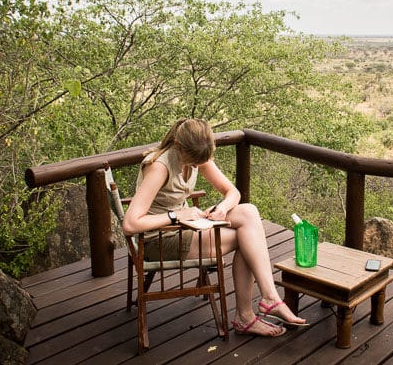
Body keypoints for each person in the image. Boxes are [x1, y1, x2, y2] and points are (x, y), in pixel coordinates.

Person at [122, 118, 308, 337]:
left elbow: (233, 193)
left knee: (249, 212)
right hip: (158, 240)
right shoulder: (159, 167)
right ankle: (248, 315)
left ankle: (269, 298)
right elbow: (130, 224)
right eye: (192, 163)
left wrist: (222, 208)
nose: (195, 167)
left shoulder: (197, 151)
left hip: (185, 225)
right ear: (177, 145)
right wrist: (175, 215)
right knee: (246, 239)